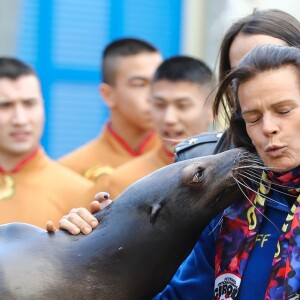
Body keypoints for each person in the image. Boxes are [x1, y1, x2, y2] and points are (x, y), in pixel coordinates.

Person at [53, 8, 300, 297]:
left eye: (283, 110)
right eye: (253, 116)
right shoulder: (232, 208)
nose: (268, 127)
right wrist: (94, 249)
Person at [96, 55, 214, 199]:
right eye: (160, 105)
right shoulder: (122, 182)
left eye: (182, 106)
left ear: (213, 109)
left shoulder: (233, 170)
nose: (168, 118)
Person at [0, 57, 94, 228]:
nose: (20, 119)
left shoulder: (80, 192)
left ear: (43, 107)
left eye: (29, 104)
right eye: (5, 106)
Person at [58, 38, 163, 181]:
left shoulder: (184, 160)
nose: (155, 95)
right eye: (139, 84)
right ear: (108, 95)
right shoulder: (71, 171)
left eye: (159, 82)